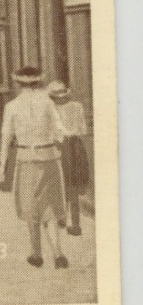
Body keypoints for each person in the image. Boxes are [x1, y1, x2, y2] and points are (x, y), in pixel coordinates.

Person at [0, 66, 69, 269]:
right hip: (49, 158)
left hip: (25, 158)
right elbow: (60, 132)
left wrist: (2, 165)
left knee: (31, 207)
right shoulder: (48, 103)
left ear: (18, 83)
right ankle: (58, 254)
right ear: (39, 82)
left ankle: (36, 253)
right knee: (51, 206)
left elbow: (5, 137)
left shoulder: (12, 106)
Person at [50, 81, 90, 237]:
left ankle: (61, 218)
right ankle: (76, 224)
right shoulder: (77, 106)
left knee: (61, 182)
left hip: (60, 146)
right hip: (76, 146)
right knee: (73, 183)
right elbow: (83, 130)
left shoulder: (52, 110)